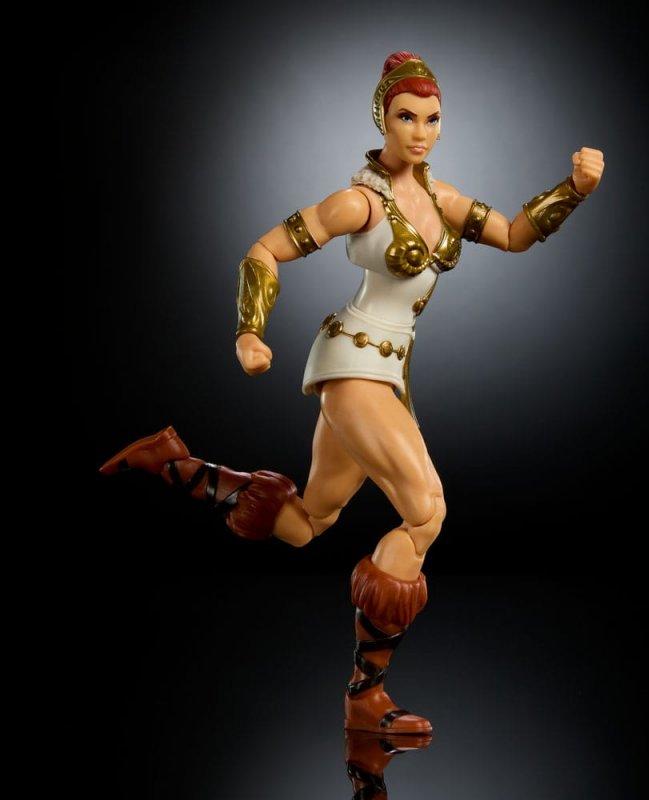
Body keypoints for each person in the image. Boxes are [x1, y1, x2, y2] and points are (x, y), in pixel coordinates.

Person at [100, 51, 605, 735]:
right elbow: (264, 250)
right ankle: (366, 697)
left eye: (432, 119)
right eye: (407, 117)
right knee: (425, 513)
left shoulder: (444, 199)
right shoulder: (359, 202)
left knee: (309, 522)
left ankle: (172, 462)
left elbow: (515, 235)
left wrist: (574, 189)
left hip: (387, 374)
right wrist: (248, 332)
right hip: (353, 365)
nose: (420, 132)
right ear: (382, 119)